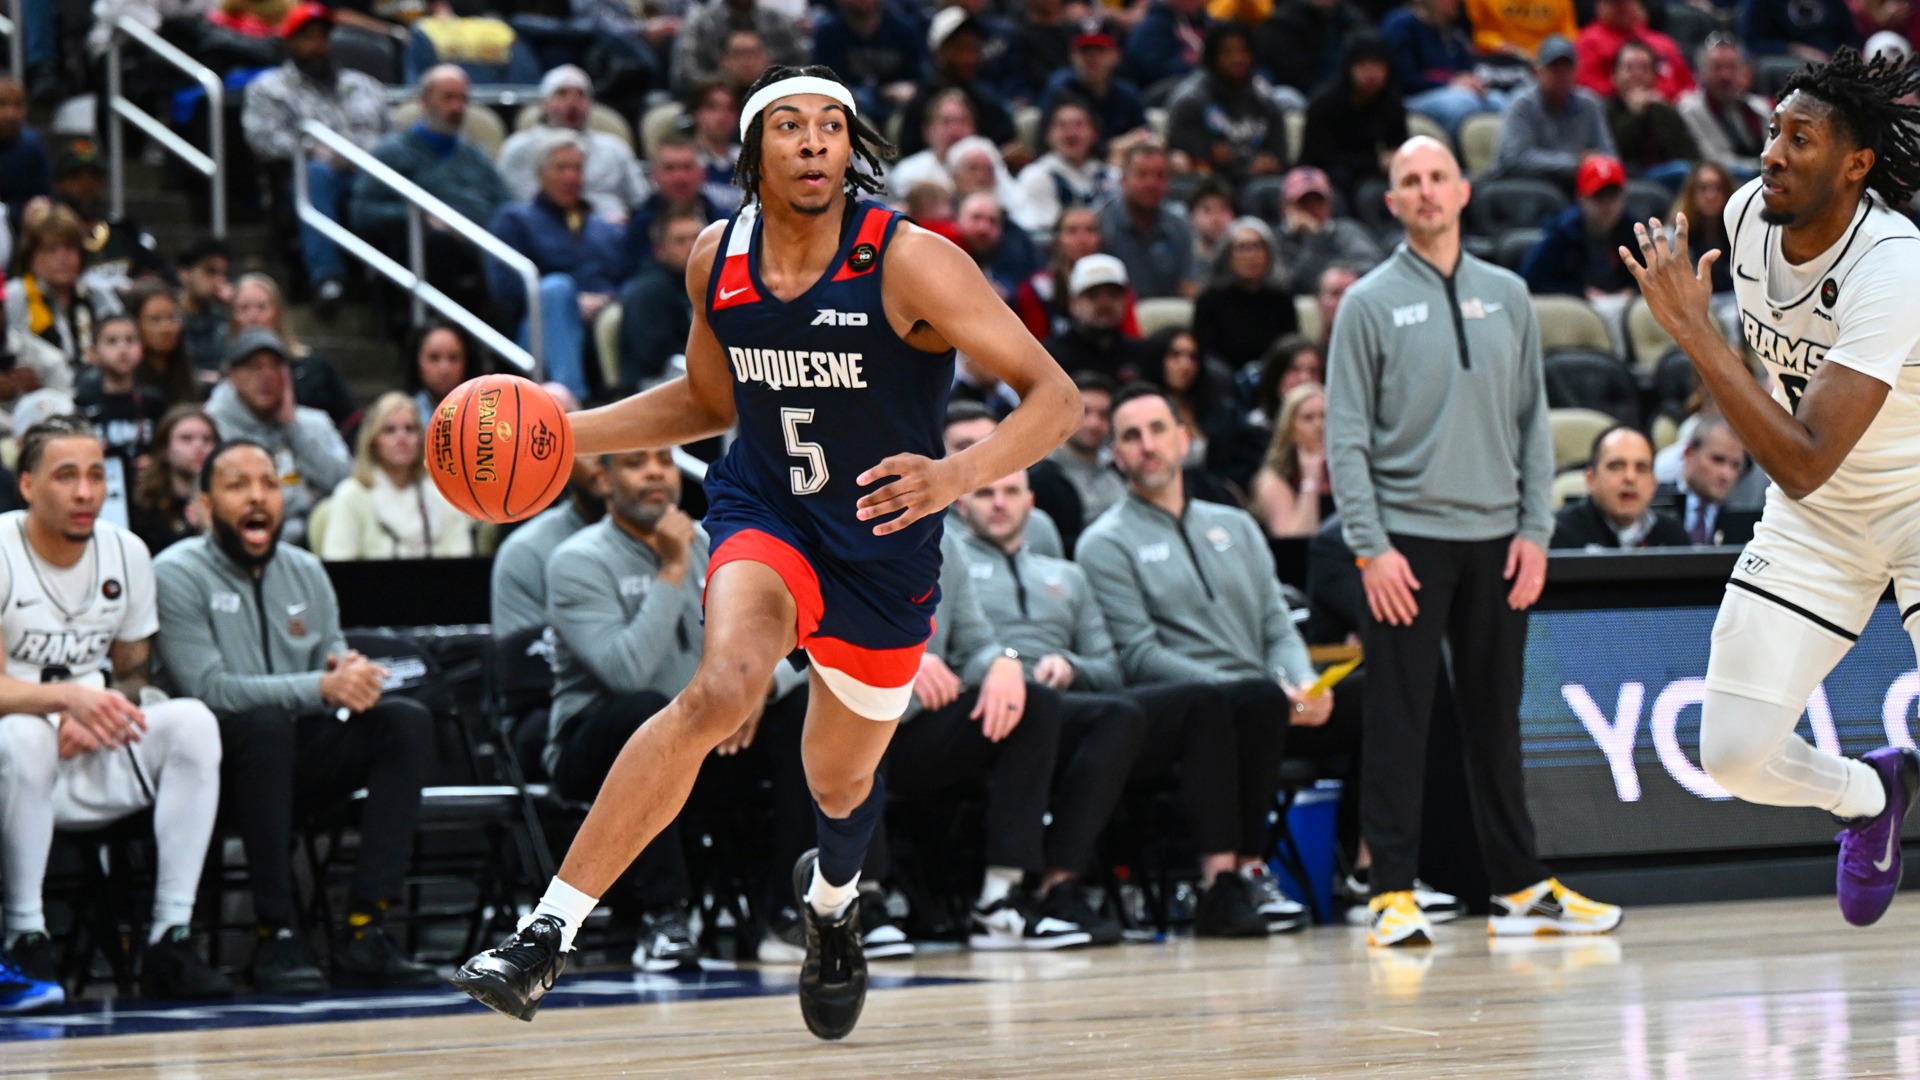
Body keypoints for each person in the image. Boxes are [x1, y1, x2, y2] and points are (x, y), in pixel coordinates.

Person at [452, 64, 1079, 1040]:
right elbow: (709, 403)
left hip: (884, 546)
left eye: (833, 124)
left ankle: (832, 907)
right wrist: (567, 434)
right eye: (789, 125)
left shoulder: (910, 260)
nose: (816, 141)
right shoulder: (718, 257)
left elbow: (1056, 398)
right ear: (752, 155)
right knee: (722, 689)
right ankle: (548, 932)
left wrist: (957, 476)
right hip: (769, 512)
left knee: (840, 785)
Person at [1622, 49, 1920, 929]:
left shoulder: (1893, 264)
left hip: (1912, 494)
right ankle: (1870, 794)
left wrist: (1692, 332)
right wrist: (1710, 342)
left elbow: (1803, 453)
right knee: (1734, 753)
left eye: (1802, 138)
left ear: (1857, 164)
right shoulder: (1750, 217)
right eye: (1771, 133)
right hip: (1818, 518)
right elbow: (1801, 462)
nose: (1772, 154)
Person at [1325, 136, 1622, 948]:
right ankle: (1390, 891)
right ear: (1392, 203)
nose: (1424, 192)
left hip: (1499, 537)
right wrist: (1370, 546)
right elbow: (1344, 439)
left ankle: (1520, 886)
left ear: (1462, 191)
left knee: (1497, 719)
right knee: (1399, 721)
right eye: (1407, 181)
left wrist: (1535, 529)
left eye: (1436, 178)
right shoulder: (1367, 303)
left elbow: (1532, 422)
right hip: (1406, 543)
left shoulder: (1511, 294)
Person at [154, 439, 438, 992]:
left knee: (403, 721)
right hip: (215, 773)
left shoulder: (306, 571)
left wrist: (351, 676)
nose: (258, 497)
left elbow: (329, 664)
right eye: (237, 486)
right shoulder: (177, 574)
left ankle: (364, 927)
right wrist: (321, 685)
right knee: (265, 727)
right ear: (206, 505)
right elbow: (209, 689)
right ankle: (276, 934)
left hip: (298, 758)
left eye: (268, 483)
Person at [1077, 383, 1330, 934]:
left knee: (1376, 696)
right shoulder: (1105, 542)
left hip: (1266, 695)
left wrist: (1304, 681)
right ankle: (1236, 877)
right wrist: (1244, 686)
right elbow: (1138, 655)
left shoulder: (1236, 524)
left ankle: (1376, 876)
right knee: (1241, 701)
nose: (1148, 446)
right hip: (1178, 709)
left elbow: (1276, 625)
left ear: (1184, 439)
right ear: (1116, 455)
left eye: (1158, 430)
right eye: (1131, 437)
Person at [0, 417, 230, 1003]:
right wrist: (63, 701)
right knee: (25, 736)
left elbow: (132, 673)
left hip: (90, 744)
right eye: (66, 477)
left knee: (192, 722)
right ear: (26, 485)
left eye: (97, 476)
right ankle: (24, 937)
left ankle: (168, 937)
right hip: (16, 759)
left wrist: (97, 703)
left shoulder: (126, 553)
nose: (85, 493)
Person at [240, 3, 389, 308]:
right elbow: (262, 139)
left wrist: (360, 156)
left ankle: (393, 287)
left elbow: (392, 137)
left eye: (322, 37)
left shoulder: (363, 86)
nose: (317, 45)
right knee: (317, 175)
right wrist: (311, 150)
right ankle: (327, 278)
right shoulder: (269, 88)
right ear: (289, 42)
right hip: (313, 176)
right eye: (306, 37)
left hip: (369, 173)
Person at [350, 65, 512, 314]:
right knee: (438, 244)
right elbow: (362, 211)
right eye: (448, 97)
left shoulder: (475, 155)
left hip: (478, 247)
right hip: (424, 251)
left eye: (463, 99)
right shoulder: (393, 151)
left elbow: (506, 205)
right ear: (424, 101)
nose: (457, 107)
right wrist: (420, 216)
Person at [488, 131, 630, 402]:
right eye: (561, 168)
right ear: (540, 174)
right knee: (556, 288)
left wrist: (607, 298)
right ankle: (569, 403)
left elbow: (628, 276)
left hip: (601, 322)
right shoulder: (516, 219)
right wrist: (574, 301)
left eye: (576, 168)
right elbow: (504, 288)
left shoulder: (605, 228)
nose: (570, 177)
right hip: (538, 328)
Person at [202, 328, 354, 548]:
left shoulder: (314, 423)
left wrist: (293, 429)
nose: (266, 375)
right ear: (232, 376)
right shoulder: (210, 426)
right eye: (255, 367)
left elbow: (346, 485)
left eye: (275, 366)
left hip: (310, 543)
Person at [318, 392, 474, 560]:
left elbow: (462, 561)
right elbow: (338, 568)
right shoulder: (351, 496)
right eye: (389, 430)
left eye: (410, 429)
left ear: (421, 438)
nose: (402, 438)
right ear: (373, 442)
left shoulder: (445, 494)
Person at [497, 66, 649, 224]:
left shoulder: (614, 148)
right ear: (544, 104)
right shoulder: (519, 148)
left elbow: (641, 201)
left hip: (615, 234)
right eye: (562, 94)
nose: (572, 102)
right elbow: (515, 203)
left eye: (581, 95)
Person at [491, 454, 607, 640]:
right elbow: (524, 663)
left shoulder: (666, 538)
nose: (604, 461)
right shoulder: (526, 552)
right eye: (592, 449)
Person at [229, 273, 359, 433]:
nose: (253, 317)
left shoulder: (316, 368)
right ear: (233, 317)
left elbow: (351, 420)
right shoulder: (226, 374)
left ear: (278, 313)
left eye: (261, 307)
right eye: (244, 308)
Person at [1165, 23, 1289, 188]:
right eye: (1228, 52)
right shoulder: (1190, 102)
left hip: (1260, 184)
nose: (1238, 58)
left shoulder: (1265, 102)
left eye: (1243, 51)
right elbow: (1187, 159)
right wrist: (1241, 167)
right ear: (1212, 57)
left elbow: (1279, 157)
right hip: (1206, 187)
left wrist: (1269, 163)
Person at [74, 314, 167, 529]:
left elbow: (166, 448)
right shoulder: (83, 404)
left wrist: (156, 465)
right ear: (93, 353)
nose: (123, 349)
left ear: (141, 349)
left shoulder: (154, 401)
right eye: (112, 341)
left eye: (130, 340)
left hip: (148, 497)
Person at [1493, 34, 1616, 189]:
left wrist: (1591, 163)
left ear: (1576, 71)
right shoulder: (1522, 104)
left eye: (1566, 68)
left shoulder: (1589, 104)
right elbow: (1515, 160)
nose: (1561, 74)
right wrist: (1576, 162)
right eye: (1554, 68)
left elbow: (1610, 157)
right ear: (1538, 71)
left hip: (1578, 186)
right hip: (1531, 186)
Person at [5, 204, 119, 369]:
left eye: (70, 248)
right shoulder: (14, 296)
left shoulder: (98, 293)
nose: (62, 258)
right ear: (31, 256)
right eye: (51, 249)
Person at [1301, 35, 1409, 203]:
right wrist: (1376, 162)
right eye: (1363, 65)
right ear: (1349, 67)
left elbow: (1398, 148)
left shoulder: (1392, 105)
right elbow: (1320, 158)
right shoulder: (1323, 103)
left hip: (1370, 179)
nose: (1371, 72)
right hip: (1324, 178)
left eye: (1378, 64)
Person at [1549, 424, 1690, 548]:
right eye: (1616, 466)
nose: (1630, 478)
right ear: (1591, 479)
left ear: (1654, 484)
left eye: (1641, 468)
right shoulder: (1558, 533)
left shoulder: (1673, 534)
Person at [1380, 0, 1508, 137]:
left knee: (1499, 100)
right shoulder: (1401, 24)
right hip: (1413, 97)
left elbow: (1466, 69)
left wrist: (1473, 82)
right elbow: (1404, 79)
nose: (1458, 2)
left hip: (1453, 93)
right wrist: (1451, 83)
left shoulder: (1450, 30)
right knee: (1461, 103)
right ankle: (1454, 156)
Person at [1521, 154, 1640, 298]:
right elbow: (1531, 280)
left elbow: (1655, 275)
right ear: (1581, 198)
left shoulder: (1634, 230)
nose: (1607, 206)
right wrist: (1580, 293)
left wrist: (1633, 290)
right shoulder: (1563, 233)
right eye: (1599, 197)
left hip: (1622, 306)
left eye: (1613, 196)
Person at [1013, 207, 1135, 342]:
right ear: (1057, 241)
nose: (1083, 239)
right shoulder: (1036, 289)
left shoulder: (1117, 282)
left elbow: (1131, 338)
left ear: (1100, 239)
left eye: (1090, 230)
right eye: (1072, 231)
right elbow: (1033, 345)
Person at [616, 206, 704, 393]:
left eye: (698, 237)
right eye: (680, 241)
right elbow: (657, 357)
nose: (692, 246)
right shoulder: (648, 291)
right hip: (652, 389)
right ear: (659, 249)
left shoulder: (711, 283)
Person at [1193, 217, 1299, 370]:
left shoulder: (1282, 299)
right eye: (1242, 247)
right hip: (1222, 380)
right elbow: (1205, 354)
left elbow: (1290, 348)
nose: (1250, 255)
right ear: (1228, 255)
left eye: (1257, 246)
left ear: (1269, 254)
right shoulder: (1209, 300)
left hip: (1271, 377)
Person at [1098, 141, 1193, 300]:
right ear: (1124, 180)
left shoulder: (1180, 227)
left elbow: (1188, 285)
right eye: (1142, 174)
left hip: (1168, 315)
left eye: (1160, 176)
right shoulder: (1101, 224)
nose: (1151, 183)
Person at [1042, 254, 1157, 382]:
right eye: (1093, 295)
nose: (1105, 302)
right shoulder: (1051, 356)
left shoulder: (1142, 353)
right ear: (1073, 303)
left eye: (1113, 294)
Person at [1015, 98, 1116, 241]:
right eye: (1062, 126)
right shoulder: (1036, 177)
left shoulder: (1110, 175)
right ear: (1048, 134)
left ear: (1094, 133)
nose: (1071, 134)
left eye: (1079, 125)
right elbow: (1041, 234)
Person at [1272, 168, 1384, 297]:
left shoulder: (1346, 230)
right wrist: (1315, 238)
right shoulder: (1274, 240)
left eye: (1317, 201)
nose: (1311, 208)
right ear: (1285, 206)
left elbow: (1373, 269)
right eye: (1303, 202)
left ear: (1329, 204)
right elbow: (1293, 286)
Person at [1039, 28, 1148, 159]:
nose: (1092, 59)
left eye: (1100, 52)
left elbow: (1144, 134)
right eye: (1085, 52)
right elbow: (1046, 142)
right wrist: (1114, 146)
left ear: (1115, 56)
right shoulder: (1060, 91)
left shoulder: (1127, 93)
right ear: (1073, 56)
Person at [809, 0, 925, 123]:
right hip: (846, 109)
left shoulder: (903, 29)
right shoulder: (828, 32)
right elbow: (823, 83)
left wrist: (905, 90)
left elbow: (917, 79)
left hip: (895, 108)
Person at [1605, 41, 1702, 186]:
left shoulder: (1665, 110)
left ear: (1654, 76)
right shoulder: (1605, 110)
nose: (1637, 75)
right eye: (1629, 68)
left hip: (1673, 175)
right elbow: (1613, 153)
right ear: (1615, 75)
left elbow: (1691, 154)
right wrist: (1635, 114)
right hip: (1629, 180)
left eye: (1644, 68)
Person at [1650, 413, 1754, 545]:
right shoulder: (1651, 504)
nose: (1727, 474)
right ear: (1689, 453)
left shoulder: (1745, 522)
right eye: (1718, 460)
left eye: (1736, 465)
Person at [130, 404, 217, 556]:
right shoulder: (143, 505)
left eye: (207, 439)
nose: (199, 446)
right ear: (164, 449)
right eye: (186, 439)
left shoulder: (225, 502)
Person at [1677, 36, 1770, 178]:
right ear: (1701, 72)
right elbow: (1711, 160)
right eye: (1717, 67)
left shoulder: (1759, 108)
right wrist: (1761, 168)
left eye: (1732, 67)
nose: (1725, 75)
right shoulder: (1690, 109)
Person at [1574, 0, 1696, 103]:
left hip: (1670, 112)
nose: (1623, 8)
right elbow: (1586, 89)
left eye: (1627, 2)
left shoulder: (1663, 43)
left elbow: (1688, 86)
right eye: (1616, 4)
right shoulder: (1589, 42)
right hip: (1616, 114)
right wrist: (1632, 96)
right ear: (1600, 6)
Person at [1251, 382, 1331, 538]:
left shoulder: (1346, 472)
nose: (1320, 425)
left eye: (1325, 416)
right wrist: (1311, 481)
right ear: (1290, 430)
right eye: (1308, 418)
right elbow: (1294, 543)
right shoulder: (1272, 482)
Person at [1047, 370, 1127, 524]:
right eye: (1084, 412)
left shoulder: (1119, 465)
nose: (1094, 424)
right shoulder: (1044, 474)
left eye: (1103, 414)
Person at [124, 282, 198, 406]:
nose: (166, 328)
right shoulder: (126, 379)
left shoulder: (187, 374)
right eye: (155, 319)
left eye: (172, 317)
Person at [1671, 162, 1736, 295]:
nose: (1711, 195)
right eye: (1703, 188)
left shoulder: (1739, 232)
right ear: (1691, 193)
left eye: (1718, 188)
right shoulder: (1676, 235)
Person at [176, 238, 234, 379]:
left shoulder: (226, 319)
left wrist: (237, 305)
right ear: (185, 274)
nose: (219, 281)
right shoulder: (169, 318)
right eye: (210, 272)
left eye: (223, 273)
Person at [0, 78, 50, 237]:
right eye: (2, 104)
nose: (10, 114)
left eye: (18, 105)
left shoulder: (32, 145)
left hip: (21, 225)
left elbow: (44, 194)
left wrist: (39, 206)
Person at [405, 320, 476, 428]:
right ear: (417, 360)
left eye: (453, 357)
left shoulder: (484, 413)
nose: (444, 369)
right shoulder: (402, 416)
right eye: (434, 357)